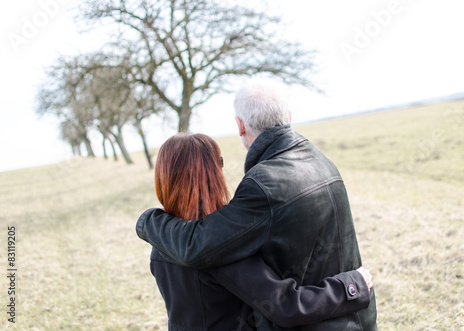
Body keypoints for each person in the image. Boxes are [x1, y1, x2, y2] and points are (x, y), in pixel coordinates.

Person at [137, 79, 378, 330]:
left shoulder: (162, 245)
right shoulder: (225, 250)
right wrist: (351, 286)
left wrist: (149, 221)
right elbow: (286, 305)